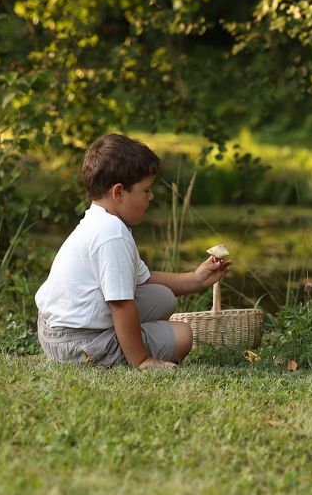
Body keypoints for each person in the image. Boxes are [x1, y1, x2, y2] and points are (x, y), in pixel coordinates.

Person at [35, 133, 230, 369]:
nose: (151, 197)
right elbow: (121, 304)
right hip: (77, 343)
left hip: (57, 331)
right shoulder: (111, 234)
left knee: (163, 297)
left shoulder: (102, 221)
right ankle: (125, 352)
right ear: (119, 193)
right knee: (182, 335)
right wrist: (142, 360)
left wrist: (196, 279)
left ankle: (122, 340)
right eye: (146, 191)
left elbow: (143, 280)